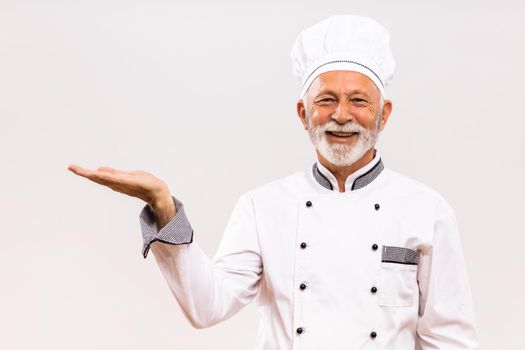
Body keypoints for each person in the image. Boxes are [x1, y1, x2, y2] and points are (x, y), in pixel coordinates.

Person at [68, 15, 479, 350]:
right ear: (303, 113)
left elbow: (450, 340)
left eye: (358, 100)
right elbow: (206, 306)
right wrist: (163, 205)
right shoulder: (262, 207)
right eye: (326, 100)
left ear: (383, 114)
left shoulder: (427, 210)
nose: (342, 115)